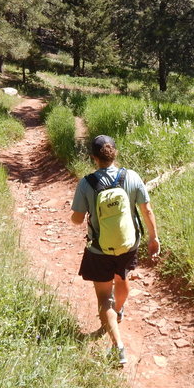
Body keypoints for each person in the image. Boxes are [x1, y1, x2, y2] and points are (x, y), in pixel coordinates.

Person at [70, 135, 160, 365]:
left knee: (103, 298)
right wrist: (153, 238)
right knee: (122, 279)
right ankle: (119, 311)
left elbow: (77, 220)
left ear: (93, 158)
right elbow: (147, 211)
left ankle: (117, 346)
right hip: (128, 245)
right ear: (115, 153)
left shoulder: (86, 183)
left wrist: (78, 213)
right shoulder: (131, 176)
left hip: (99, 249)